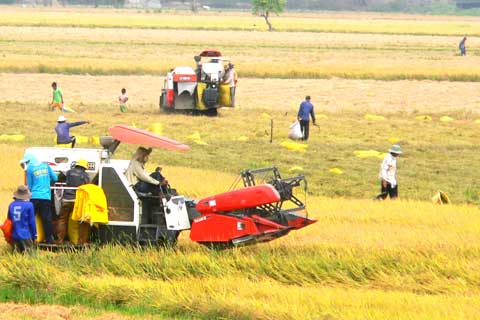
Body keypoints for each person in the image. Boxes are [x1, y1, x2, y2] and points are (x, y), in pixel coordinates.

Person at [20, 154, 57, 244]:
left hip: (34, 197)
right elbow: (55, 178)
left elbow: (30, 186)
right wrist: (48, 183)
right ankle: (49, 239)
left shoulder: (30, 169)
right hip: (46, 197)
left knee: (31, 218)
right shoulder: (46, 166)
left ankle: (30, 238)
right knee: (47, 218)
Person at [56, 159, 90, 244]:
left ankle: (60, 240)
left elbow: (59, 179)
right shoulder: (85, 175)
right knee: (80, 220)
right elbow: (88, 186)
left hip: (66, 199)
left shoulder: (68, 172)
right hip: (77, 201)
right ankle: (80, 241)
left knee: (63, 219)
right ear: (84, 167)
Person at [125, 147, 162, 223]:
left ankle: (159, 192)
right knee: (156, 175)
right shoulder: (136, 163)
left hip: (137, 185)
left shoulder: (137, 163)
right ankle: (161, 193)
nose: (147, 158)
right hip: (136, 186)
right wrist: (158, 183)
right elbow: (143, 177)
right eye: (146, 155)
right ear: (142, 155)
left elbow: (144, 175)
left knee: (156, 175)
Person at [8, 185, 36, 253]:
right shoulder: (29, 205)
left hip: (14, 235)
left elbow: (9, 221)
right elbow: (32, 222)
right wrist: (34, 234)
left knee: (15, 256)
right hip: (26, 235)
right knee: (29, 256)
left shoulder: (11, 205)